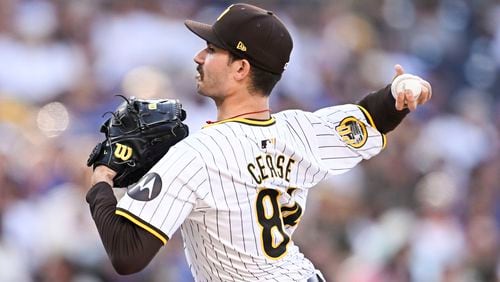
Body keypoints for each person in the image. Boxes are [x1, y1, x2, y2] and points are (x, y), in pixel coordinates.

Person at [86, 3, 432, 281]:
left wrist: (101, 182)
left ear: (240, 69)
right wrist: (400, 91)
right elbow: (373, 117)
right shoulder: (300, 129)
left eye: (210, 49)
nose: (198, 57)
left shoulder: (197, 156)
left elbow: (127, 254)